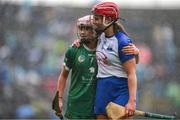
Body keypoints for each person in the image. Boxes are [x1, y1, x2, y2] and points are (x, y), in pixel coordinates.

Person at [90, 2, 138, 119]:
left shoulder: (122, 42)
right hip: (103, 87)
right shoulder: (99, 35)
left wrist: (132, 101)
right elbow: (84, 39)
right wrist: (78, 43)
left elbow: (131, 73)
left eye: (97, 19)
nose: (94, 21)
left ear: (109, 19)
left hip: (121, 89)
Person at [54, 15, 98, 119]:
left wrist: (135, 53)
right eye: (81, 28)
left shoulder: (104, 49)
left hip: (96, 106)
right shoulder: (73, 50)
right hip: (75, 106)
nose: (82, 32)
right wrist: (58, 99)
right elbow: (63, 76)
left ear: (96, 30)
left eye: (87, 28)